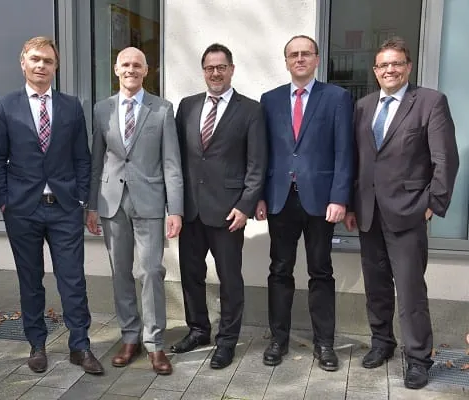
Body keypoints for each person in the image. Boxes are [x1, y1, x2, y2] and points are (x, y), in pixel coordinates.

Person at [344, 36, 459, 389]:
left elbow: (445, 159)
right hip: (368, 212)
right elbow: (356, 159)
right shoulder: (363, 106)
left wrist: (432, 204)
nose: (390, 69)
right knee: (376, 286)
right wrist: (351, 204)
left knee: (410, 291)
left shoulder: (429, 102)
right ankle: (382, 343)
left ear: (408, 67)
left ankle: (419, 358)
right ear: (375, 70)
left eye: (396, 63)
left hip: (409, 212)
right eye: (383, 65)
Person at [0, 36, 103, 375]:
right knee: (30, 280)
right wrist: (4, 201)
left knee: (73, 280)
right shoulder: (5, 106)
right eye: (35, 59)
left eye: (48, 61)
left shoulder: (71, 106)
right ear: (23, 63)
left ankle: (80, 345)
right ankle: (36, 344)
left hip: (65, 207)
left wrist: (81, 198)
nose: (41, 65)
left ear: (56, 66)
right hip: (23, 209)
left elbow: (82, 157)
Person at [256, 35, 353, 372]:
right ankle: (278, 339)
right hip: (280, 199)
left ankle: (324, 343)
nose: (299, 59)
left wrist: (340, 197)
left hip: (321, 202)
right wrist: (260, 196)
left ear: (316, 59)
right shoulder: (269, 100)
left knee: (320, 271)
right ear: (286, 61)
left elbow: (345, 152)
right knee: (279, 270)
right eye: (293, 54)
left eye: (305, 54)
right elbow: (262, 152)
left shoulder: (337, 98)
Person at [86, 47, 183, 375]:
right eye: (125, 64)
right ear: (116, 69)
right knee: (121, 273)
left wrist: (175, 209)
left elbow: (171, 163)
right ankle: (130, 336)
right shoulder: (102, 109)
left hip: (150, 202)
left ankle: (155, 343)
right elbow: (96, 161)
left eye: (137, 65)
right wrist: (91, 206)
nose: (131, 69)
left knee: (151, 271)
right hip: (111, 201)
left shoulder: (162, 109)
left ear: (146, 70)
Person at [170, 43, 267, 369]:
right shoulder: (187, 106)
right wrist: (175, 206)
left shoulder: (251, 110)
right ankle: (198, 330)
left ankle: (227, 341)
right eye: (210, 68)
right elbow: (176, 159)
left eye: (221, 67)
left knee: (230, 279)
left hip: (229, 212)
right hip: (191, 210)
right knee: (191, 275)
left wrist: (245, 205)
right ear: (203, 71)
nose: (215, 73)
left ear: (231, 69)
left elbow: (256, 164)